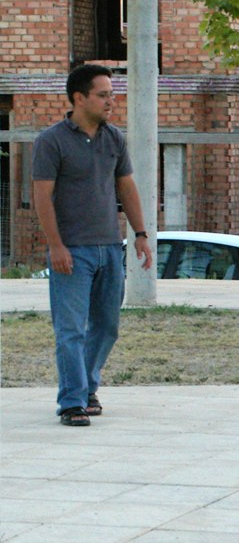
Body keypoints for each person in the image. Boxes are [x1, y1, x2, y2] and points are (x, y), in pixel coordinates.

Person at [33, 64, 153, 427]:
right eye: (103, 95)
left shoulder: (114, 138)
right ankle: (72, 402)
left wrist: (141, 235)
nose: (110, 101)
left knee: (107, 325)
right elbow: (42, 196)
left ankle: (85, 387)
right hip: (72, 250)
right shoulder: (51, 141)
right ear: (79, 98)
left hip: (108, 248)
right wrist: (56, 246)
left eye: (111, 95)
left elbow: (127, 187)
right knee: (70, 328)